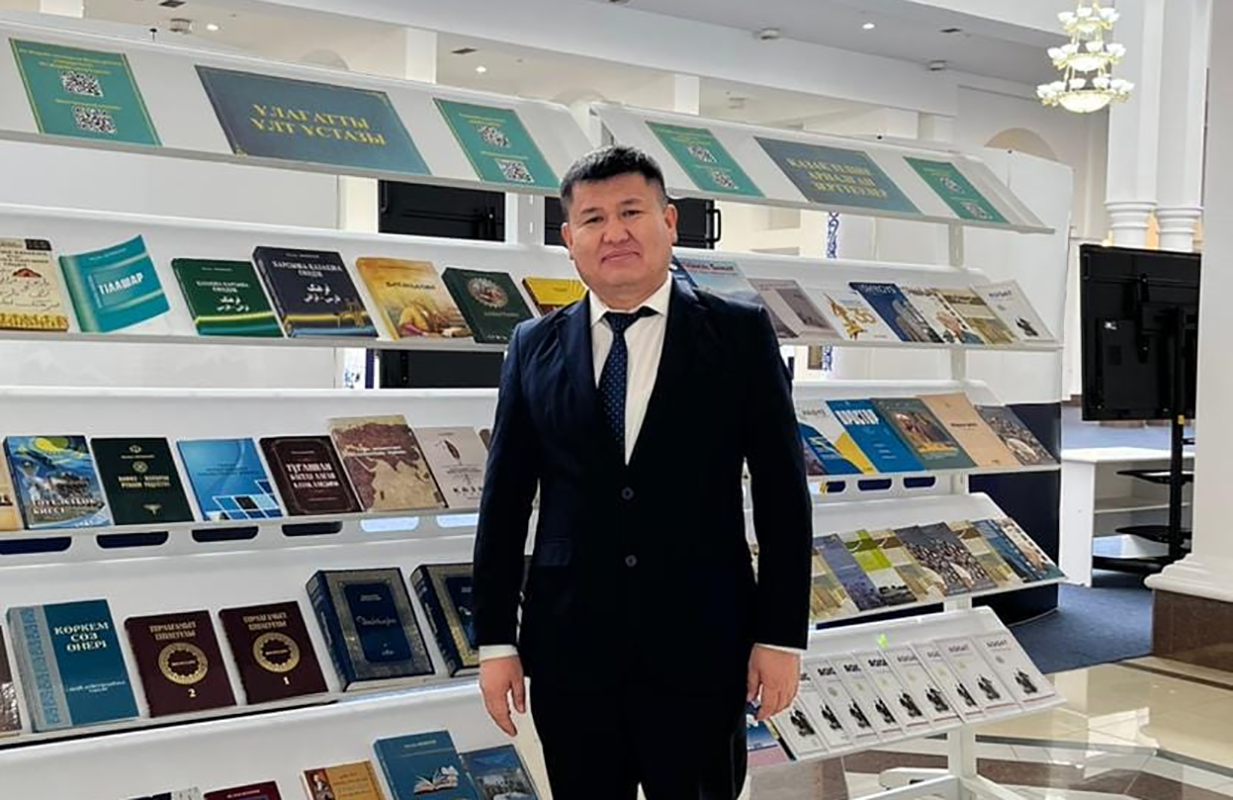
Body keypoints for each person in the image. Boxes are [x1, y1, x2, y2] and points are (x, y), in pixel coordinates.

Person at [472, 145, 813, 800]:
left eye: (631, 212)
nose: (615, 233)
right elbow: (504, 503)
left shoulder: (739, 335)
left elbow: (781, 497)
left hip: (701, 646)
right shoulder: (531, 345)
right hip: (571, 650)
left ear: (668, 222)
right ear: (569, 240)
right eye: (593, 219)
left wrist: (779, 636)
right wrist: (494, 642)